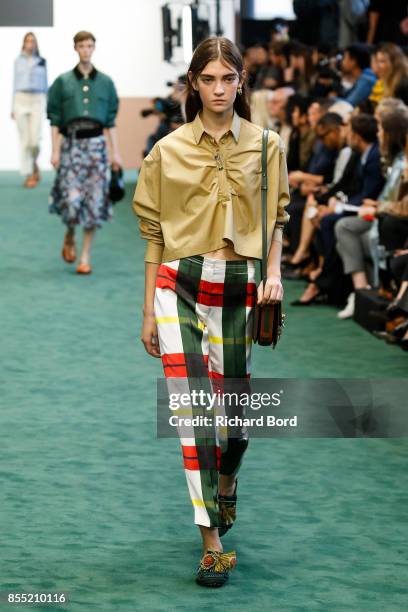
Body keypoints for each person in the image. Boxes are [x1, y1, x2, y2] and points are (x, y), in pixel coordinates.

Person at [132, 36, 290, 587]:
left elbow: (276, 217)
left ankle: (227, 480)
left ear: (241, 82)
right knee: (196, 415)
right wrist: (148, 312)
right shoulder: (166, 151)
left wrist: (273, 273)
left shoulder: (268, 145)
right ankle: (211, 541)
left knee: (237, 423)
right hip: (179, 283)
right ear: (193, 85)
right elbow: (153, 234)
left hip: (240, 287)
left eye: (228, 79)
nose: (219, 89)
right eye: (208, 80)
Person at [47, 31, 121, 275]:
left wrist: (116, 154)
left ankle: (85, 256)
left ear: (94, 48)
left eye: (89, 45)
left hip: (97, 147)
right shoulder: (62, 82)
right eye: (82, 45)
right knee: (71, 200)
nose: (86, 49)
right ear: (75, 48)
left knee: (95, 201)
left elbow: (110, 122)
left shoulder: (106, 83)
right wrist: (55, 149)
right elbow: (55, 120)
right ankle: (69, 233)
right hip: (71, 145)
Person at [335, 108, 408, 318]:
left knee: (343, 227)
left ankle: (361, 291)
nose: (377, 134)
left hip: (388, 218)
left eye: (381, 130)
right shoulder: (394, 158)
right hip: (382, 213)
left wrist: (378, 208)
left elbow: (401, 206)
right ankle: (360, 290)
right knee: (342, 227)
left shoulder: (397, 160)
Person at [12, 32, 48, 188]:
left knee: (35, 140)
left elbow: (46, 84)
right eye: (28, 41)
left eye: (33, 41)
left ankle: (34, 163)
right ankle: (29, 174)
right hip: (20, 99)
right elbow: (14, 83)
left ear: (36, 43)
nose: (30, 43)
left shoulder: (41, 61)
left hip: (37, 100)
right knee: (24, 139)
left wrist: (48, 104)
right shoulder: (18, 61)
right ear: (24, 43)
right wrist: (11, 106)